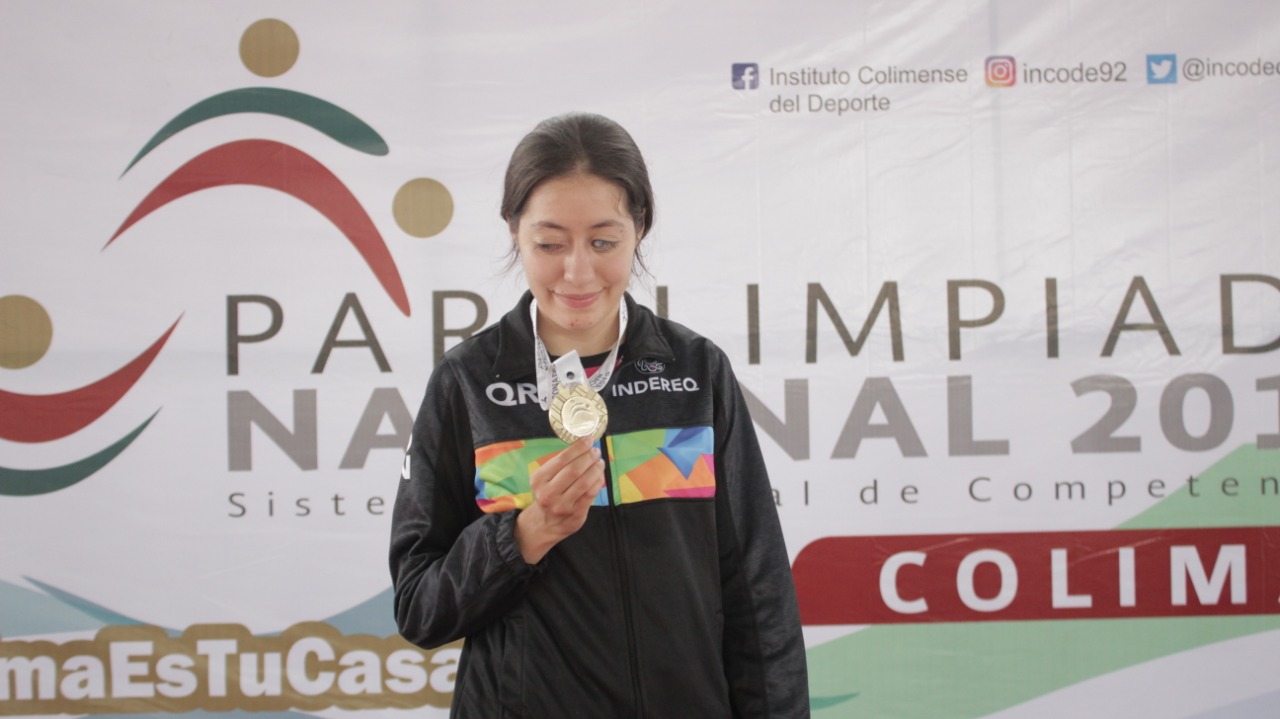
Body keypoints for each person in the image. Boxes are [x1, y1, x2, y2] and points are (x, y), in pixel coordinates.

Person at [390, 112, 809, 718]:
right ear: (514, 231)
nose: (578, 272)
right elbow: (419, 608)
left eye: (603, 242)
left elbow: (758, 592)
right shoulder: (469, 383)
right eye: (550, 244)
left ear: (640, 228)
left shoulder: (696, 371)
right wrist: (524, 535)